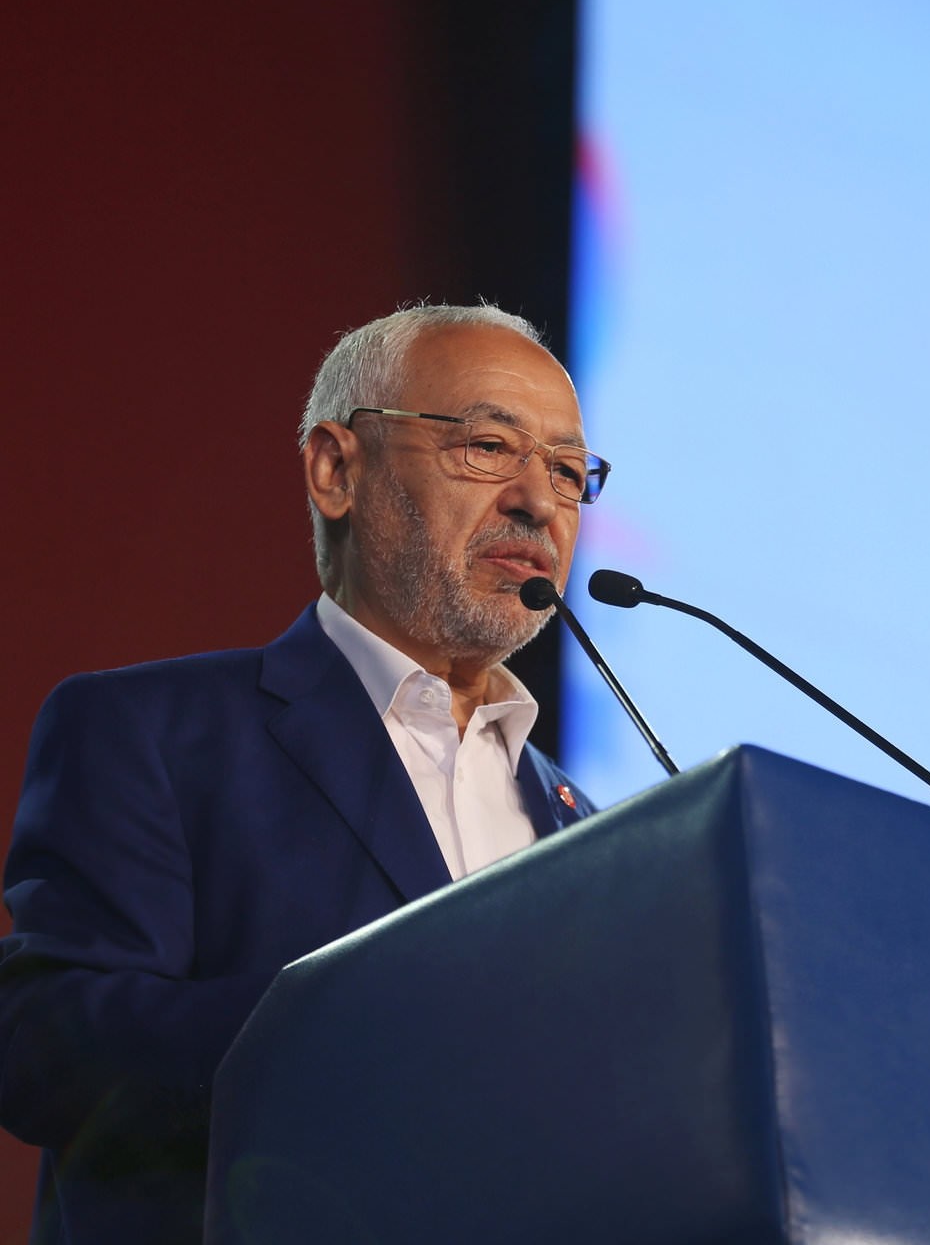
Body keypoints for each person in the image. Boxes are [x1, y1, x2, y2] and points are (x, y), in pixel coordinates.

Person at [0, 304, 604, 1243]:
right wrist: (380, 1020)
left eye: (568, 473)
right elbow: (46, 1047)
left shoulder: (590, 832)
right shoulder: (155, 733)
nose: (538, 501)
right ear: (336, 470)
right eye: (490, 446)